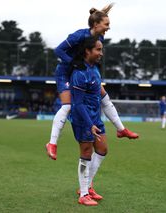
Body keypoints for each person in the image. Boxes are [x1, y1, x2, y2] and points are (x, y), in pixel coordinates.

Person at [46, 3, 139, 160]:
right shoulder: (78, 36)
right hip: (66, 72)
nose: (108, 28)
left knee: (104, 97)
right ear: (96, 24)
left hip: (83, 71)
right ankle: (52, 143)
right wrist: (73, 62)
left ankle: (121, 129)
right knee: (68, 106)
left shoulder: (99, 38)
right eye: (106, 24)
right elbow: (58, 50)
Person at [70, 36, 107, 206]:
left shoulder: (95, 69)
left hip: (95, 117)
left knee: (102, 149)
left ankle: (88, 185)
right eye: (98, 49)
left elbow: (96, 31)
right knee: (86, 153)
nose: (101, 53)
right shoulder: (79, 74)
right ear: (88, 51)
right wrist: (88, 123)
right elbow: (77, 103)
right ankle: (83, 193)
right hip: (83, 118)